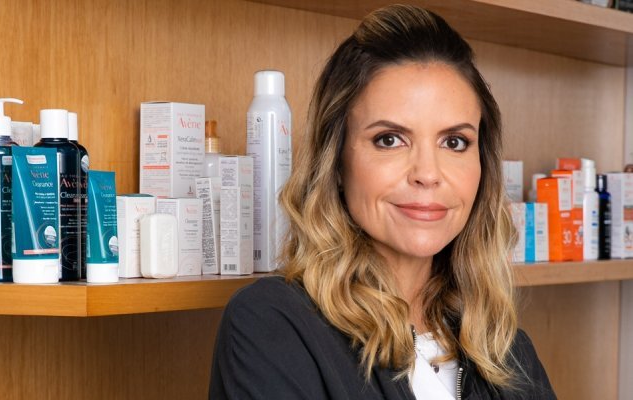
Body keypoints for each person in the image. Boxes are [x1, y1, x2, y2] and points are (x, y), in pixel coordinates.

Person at [209, 4, 556, 399]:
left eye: (454, 142)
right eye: (389, 139)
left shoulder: (507, 351)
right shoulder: (273, 324)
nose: (427, 173)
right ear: (336, 161)